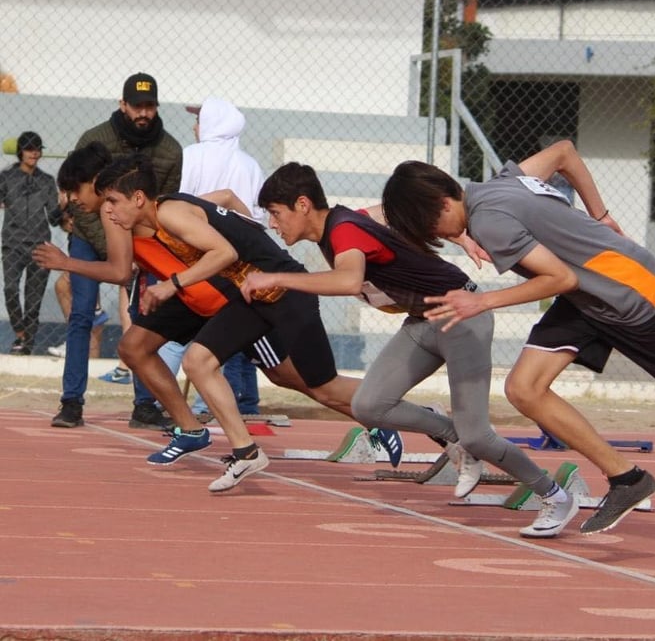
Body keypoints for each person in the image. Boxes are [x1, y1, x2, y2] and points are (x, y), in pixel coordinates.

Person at [381, 141, 655, 567]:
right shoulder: (499, 183)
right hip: (588, 298)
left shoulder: (490, 222)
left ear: (440, 206)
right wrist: (602, 216)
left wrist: (481, 301)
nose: (436, 239)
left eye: (428, 230)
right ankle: (627, 478)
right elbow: (563, 153)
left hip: (631, 292)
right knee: (525, 388)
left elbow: (558, 279)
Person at [240, 162, 579, 537]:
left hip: (461, 316)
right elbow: (395, 212)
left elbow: (349, 280)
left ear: (302, 204)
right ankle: (451, 434)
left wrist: (276, 277)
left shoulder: (345, 230)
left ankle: (554, 495)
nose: (273, 224)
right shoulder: (347, 221)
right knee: (368, 404)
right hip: (423, 321)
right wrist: (460, 238)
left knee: (479, 436)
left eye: (275, 213)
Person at [38, 151, 405, 489]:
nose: (75, 201)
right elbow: (224, 200)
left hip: (245, 290)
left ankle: (392, 417)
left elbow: (136, 266)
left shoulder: (152, 210)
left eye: (75, 191)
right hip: (201, 293)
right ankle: (211, 438)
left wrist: (175, 279)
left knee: (303, 380)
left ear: (124, 194)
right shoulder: (141, 209)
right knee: (139, 348)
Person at [50, 72, 183, 429]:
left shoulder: (170, 150)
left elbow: (159, 206)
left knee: (144, 318)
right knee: (81, 315)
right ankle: (71, 402)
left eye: (150, 106)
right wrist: (112, 245)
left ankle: (144, 404)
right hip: (91, 235)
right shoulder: (94, 139)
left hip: (142, 242)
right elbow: (79, 201)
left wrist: (134, 249)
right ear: (122, 105)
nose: (144, 113)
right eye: (137, 106)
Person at [179, 97, 266, 416]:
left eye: (199, 120)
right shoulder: (250, 164)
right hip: (242, 257)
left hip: (199, 255)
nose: (194, 126)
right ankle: (246, 401)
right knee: (239, 328)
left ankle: (206, 403)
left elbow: (177, 204)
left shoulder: (189, 157)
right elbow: (257, 216)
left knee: (203, 330)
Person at [0, 131, 60, 354]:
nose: (34, 152)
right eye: (29, 148)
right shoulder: (6, 177)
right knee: (10, 289)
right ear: (20, 152)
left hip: (39, 244)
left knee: (34, 300)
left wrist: (63, 205)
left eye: (38, 148)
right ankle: (20, 334)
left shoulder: (46, 181)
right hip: (12, 244)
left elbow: (54, 218)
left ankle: (27, 344)